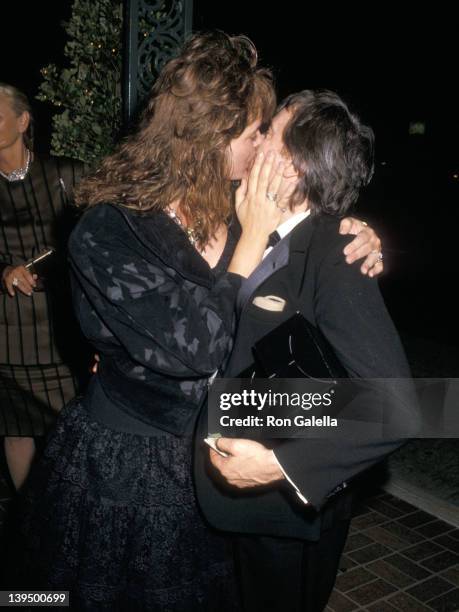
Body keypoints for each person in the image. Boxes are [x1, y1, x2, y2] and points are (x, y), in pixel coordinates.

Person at [17, 34, 383, 609]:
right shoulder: (109, 229)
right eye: (257, 132)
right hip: (131, 470)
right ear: (214, 140)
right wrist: (253, 242)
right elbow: (201, 347)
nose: (266, 147)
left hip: (225, 472)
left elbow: (303, 252)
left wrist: (352, 233)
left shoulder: (242, 213)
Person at [195, 90, 418, 612]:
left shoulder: (339, 254)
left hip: (280, 516)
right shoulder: (237, 227)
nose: (254, 138)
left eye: (267, 131)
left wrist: (282, 464)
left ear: (292, 166)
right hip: (216, 501)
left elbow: (399, 407)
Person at [0, 83, 87, 491]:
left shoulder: (65, 174)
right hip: (7, 330)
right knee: (15, 429)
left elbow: (97, 237)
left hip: (58, 326)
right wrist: (3, 270)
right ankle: (24, 518)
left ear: (22, 121)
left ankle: (61, 513)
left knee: (67, 430)